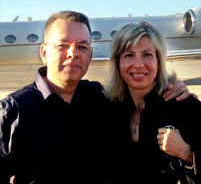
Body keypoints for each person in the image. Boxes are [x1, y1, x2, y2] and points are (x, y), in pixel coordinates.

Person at [0, 11, 191, 184]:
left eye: (82, 47)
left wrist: (174, 87)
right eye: (62, 45)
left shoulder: (100, 98)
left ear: (90, 55)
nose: (73, 53)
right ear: (44, 52)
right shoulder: (14, 110)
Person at [104, 21, 201, 184]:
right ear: (117, 63)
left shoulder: (184, 106)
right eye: (129, 55)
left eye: (147, 54)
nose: (138, 64)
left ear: (158, 61)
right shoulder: (108, 109)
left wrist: (186, 153)